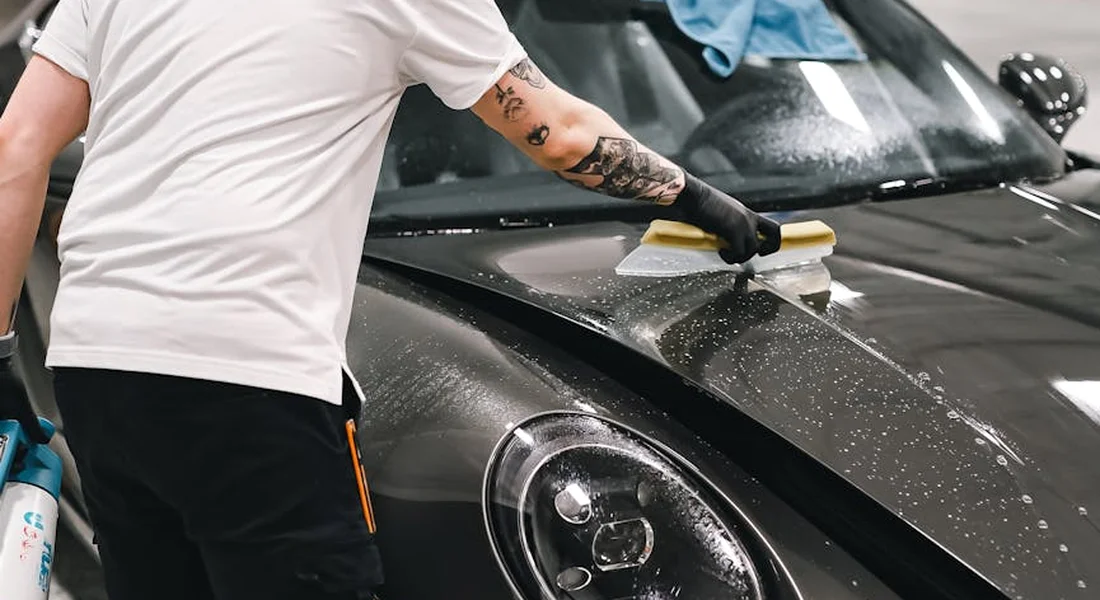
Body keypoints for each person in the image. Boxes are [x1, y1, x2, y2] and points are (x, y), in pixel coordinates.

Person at [0, 0, 780, 598]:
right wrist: (699, 199)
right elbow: (565, 136)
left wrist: (0, 356)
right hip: (244, 373)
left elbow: (16, 147)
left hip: (95, 362)